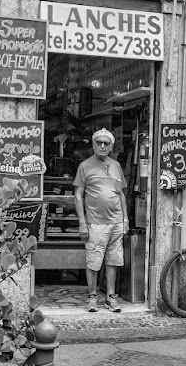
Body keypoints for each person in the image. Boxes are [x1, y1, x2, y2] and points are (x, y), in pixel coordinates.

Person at [73, 128, 129, 312]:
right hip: (95, 222)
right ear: (93, 144)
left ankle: (111, 297)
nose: (102, 146)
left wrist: (125, 219)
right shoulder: (85, 166)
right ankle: (92, 297)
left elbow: (121, 194)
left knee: (113, 259)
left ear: (111, 146)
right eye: (99, 142)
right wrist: (82, 222)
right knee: (94, 260)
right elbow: (78, 195)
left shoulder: (116, 165)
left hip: (115, 222)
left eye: (106, 143)